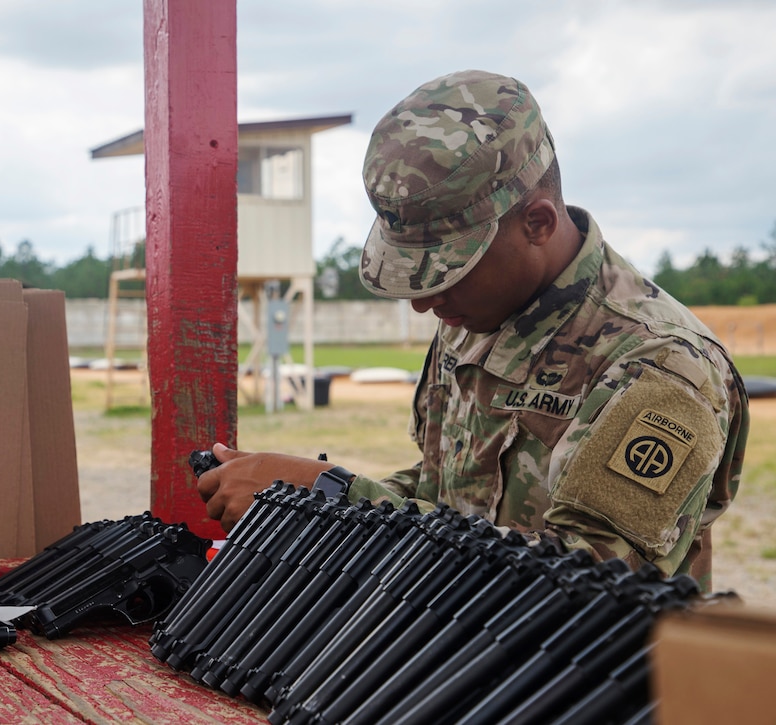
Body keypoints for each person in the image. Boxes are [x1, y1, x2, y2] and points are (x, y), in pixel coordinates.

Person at [197, 69, 749, 592]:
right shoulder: (477, 311)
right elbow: (449, 495)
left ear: (538, 224)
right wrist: (302, 497)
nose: (423, 302)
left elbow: (585, 582)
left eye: (449, 268)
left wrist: (334, 499)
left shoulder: (662, 366)